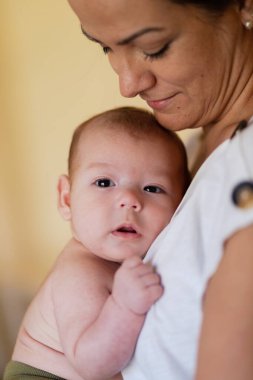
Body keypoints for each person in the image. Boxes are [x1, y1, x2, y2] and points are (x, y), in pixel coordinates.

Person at [64, 1, 253, 379]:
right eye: (104, 47)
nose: (127, 84)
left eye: (153, 48)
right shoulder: (179, 157)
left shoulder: (244, 170)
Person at [4, 106, 190, 380]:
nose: (129, 199)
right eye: (104, 183)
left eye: (153, 188)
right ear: (66, 199)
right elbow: (92, 365)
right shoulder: (80, 271)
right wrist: (125, 306)